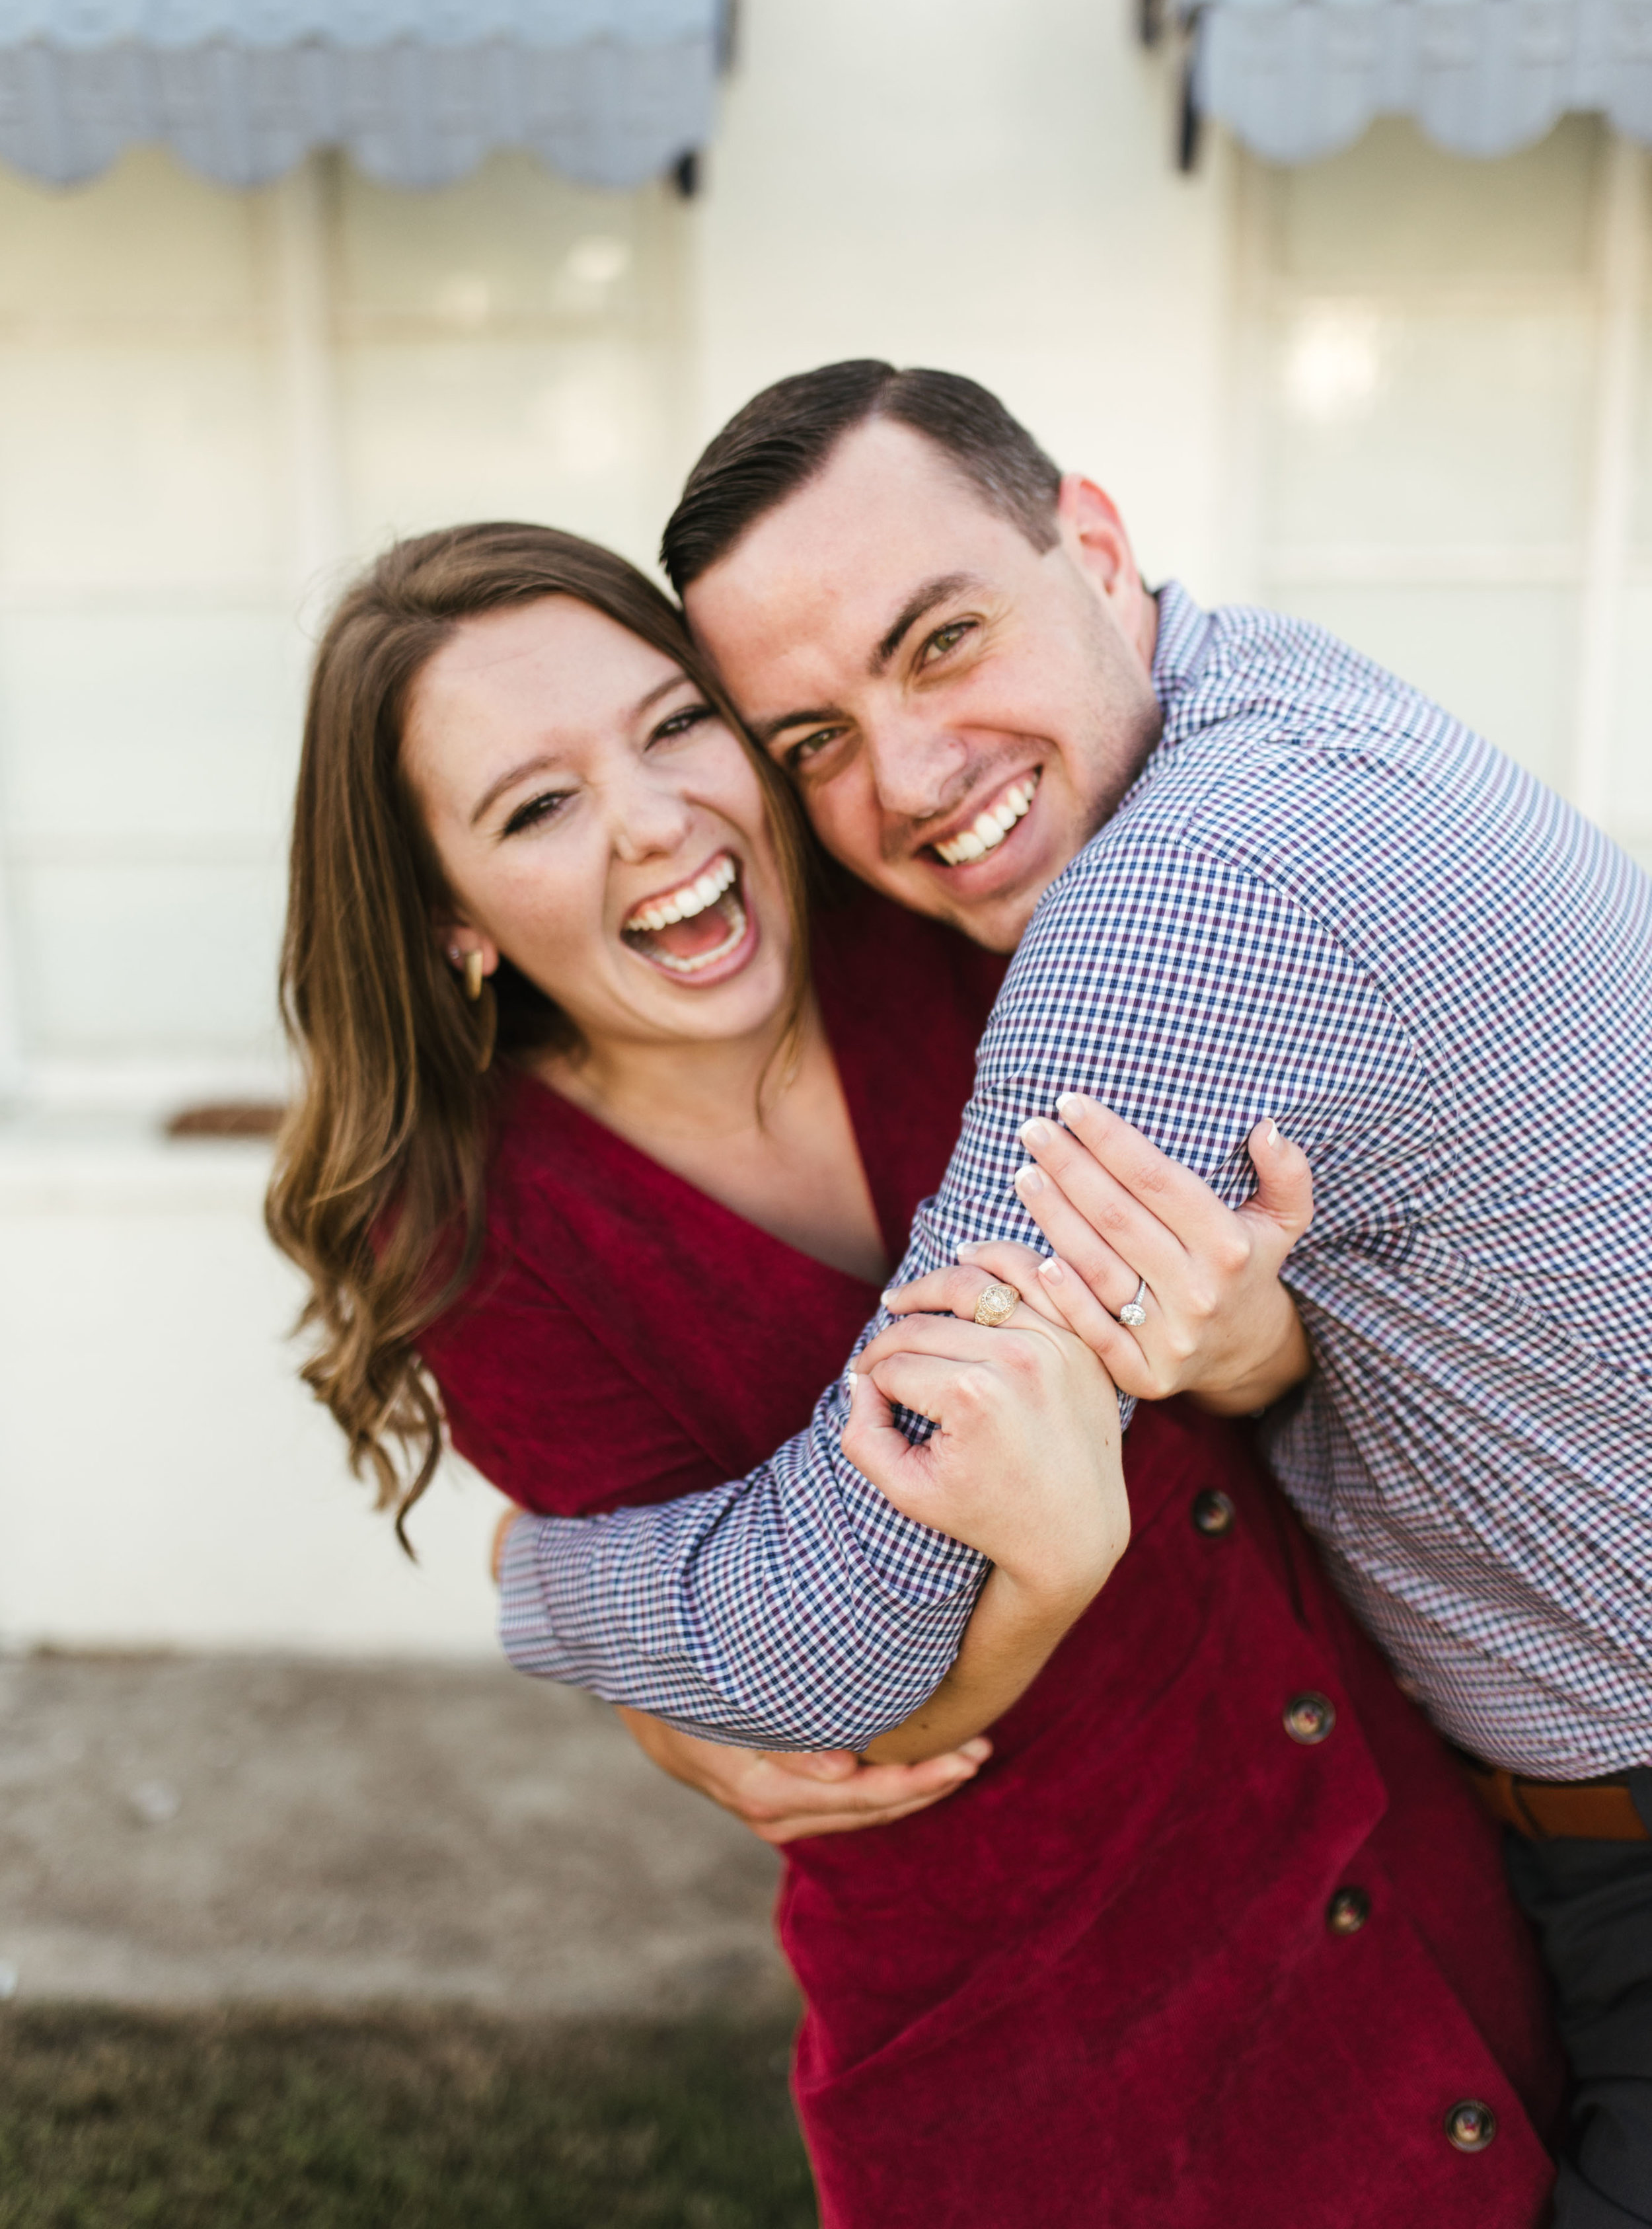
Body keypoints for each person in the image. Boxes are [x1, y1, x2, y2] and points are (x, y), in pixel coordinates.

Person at [268, 521, 1559, 2229]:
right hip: (1037, 2043)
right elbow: (819, 1724)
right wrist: (1044, 1568)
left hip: (1391, 1867)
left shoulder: (970, 938)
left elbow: (1286, 1363)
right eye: (536, 806)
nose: (655, 818)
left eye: (675, 724)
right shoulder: (477, 1242)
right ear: (451, 927)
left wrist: (1250, 1340)